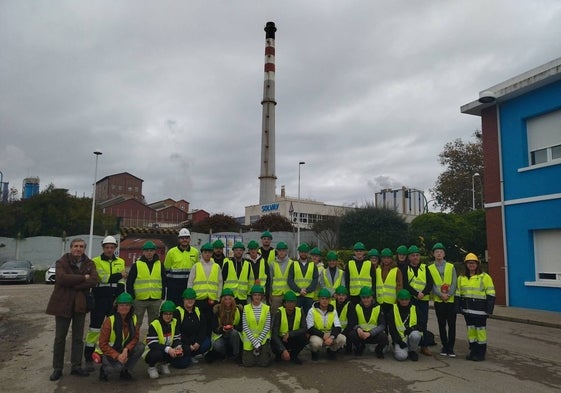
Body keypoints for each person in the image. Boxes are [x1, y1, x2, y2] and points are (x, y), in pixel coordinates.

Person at [46, 238, 99, 381]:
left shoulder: (90, 263)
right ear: (70, 247)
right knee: (59, 338)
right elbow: (61, 279)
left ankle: (76, 366)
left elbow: (94, 280)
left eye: (81, 246)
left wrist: (73, 283)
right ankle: (57, 368)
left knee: (78, 338)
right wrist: (83, 278)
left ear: (84, 249)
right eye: (75, 246)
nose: (78, 248)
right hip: (63, 303)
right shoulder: (62, 262)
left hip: (80, 304)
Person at [84, 235, 127, 371]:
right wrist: (120, 274)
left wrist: (119, 299)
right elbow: (103, 278)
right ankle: (89, 356)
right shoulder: (95, 261)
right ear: (103, 247)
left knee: (114, 329)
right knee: (95, 328)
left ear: (115, 248)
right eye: (107, 247)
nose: (109, 250)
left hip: (114, 300)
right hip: (99, 299)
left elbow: (121, 283)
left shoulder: (120, 261)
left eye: (112, 247)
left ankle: (109, 355)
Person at [97, 292, 144, 381]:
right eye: (121, 305)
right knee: (116, 368)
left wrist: (126, 349)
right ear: (117, 307)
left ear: (131, 307)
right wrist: (117, 356)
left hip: (123, 349)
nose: (124, 307)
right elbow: (102, 344)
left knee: (140, 346)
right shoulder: (109, 321)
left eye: (127, 305)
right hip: (109, 351)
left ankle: (125, 370)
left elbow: (135, 338)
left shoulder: (134, 319)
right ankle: (104, 370)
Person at [457, 253, 495, 361]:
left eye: (473, 263)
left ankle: (481, 353)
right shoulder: (461, 277)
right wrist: (458, 307)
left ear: (477, 264)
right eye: (469, 263)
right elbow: (458, 293)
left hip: (480, 311)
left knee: (480, 332)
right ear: (466, 264)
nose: (471, 265)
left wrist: (489, 309)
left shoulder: (484, 277)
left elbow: (491, 293)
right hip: (468, 310)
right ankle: (473, 351)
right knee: (471, 331)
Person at [126, 241, 166, 330]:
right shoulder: (136, 265)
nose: (149, 252)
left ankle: (150, 341)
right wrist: (132, 296)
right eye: (147, 250)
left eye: (151, 250)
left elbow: (164, 281)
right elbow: (129, 282)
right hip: (139, 299)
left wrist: (162, 296)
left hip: (155, 299)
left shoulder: (160, 265)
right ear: (143, 252)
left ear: (154, 251)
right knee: (137, 322)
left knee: (154, 323)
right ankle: (134, 341)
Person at [427, 242, 458, 357]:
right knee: (441, 324)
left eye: (441, 252)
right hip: (439, 300)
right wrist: (440, 294)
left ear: (444, 254)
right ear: (433, 254)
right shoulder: (430, 268)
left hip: (450, 300)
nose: (439, 254)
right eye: (436, 252)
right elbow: (432, 284)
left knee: (452, 324)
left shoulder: (451, 266)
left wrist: (449, 294)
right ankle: (444, 346)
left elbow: (454, 282)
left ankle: (451, 347)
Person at [143, 300, 187, 379]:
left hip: (166, 349)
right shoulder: (155, 324)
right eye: (165, 313)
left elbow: (176, 338)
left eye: (170, 314)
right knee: (158, 353)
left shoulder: (174, 322)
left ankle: (163, 364)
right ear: (161, 314)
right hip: (152, 351)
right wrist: (168, 349)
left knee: (182, 348)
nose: (168, 316)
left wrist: (178, 347)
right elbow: (152, 343)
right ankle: (151, 367)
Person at [187, 242, 222, 336]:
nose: (207, 254)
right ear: (201, 253)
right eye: (205, 252)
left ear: (212, 253)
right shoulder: (196, 266)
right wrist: (190, 298)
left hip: (211, 300)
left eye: (209, 252)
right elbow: (190, 282)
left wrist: (217, 298)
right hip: (198, 300)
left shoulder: (216, 266)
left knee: (210, 323)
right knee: (199, 323)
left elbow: (220, 283)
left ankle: (209, 344)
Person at [405, 245, 433, 356]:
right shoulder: (405, 268)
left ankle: (424, 346)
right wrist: (416, 294)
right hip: (411, 300)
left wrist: (423, 293)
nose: (415, 257)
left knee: (423, 322)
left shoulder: (425, 268)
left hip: (423, 300)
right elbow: (406, 284)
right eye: (413, 255)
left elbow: (430, 283)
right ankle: (410, 344)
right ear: (409, 257)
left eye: (417, 255)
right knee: (410, 322)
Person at [347, 286, 388, 359]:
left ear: (372, 297)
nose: (366, 300)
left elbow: (382, 325)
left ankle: (378, 350)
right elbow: (352, 322)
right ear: (361, 298)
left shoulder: (378, 307)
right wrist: (358, 329)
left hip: (373, 334)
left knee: (384, 337)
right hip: (361, 334)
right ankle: (359, 347)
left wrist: (370, 333)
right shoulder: (357, 307)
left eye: (368, 297)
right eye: (363, 297)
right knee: (351, 334)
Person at [307, 288, 346, 361]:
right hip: (317, 334)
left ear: (330, 300)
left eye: (327, 299)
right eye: (322, 298)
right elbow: (310, 328)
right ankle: (314, 352)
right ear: (318, 299)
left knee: (342, 339)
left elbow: (338, 327)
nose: (325, 301)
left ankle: (331, 351)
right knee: (315, 343)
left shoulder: (333, 311)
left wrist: (332, 337)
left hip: (329, 333)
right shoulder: (312, 311)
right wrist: (323, 335)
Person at [174, 288, 211, 364]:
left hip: (195, 341)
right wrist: (188, 345)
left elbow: (203, 328)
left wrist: (198, 342)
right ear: (183, 299)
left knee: (207, 343)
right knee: (183, 364)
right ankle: (186, 356)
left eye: (192, 299)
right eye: (187, 299)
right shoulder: (177, 311)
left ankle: (192, 355)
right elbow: (177, 331)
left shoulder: (198, 310)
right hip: (182, 342)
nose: (190, 301)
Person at [164, 228, 199, 307]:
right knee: (174, 308)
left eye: (186, 238)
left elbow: (197, 270)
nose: (184, 240)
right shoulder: (171, 252)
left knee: (187, 308)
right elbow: (166, 270)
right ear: (179, 239)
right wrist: (169, 285)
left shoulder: (195, 252)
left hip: (188, 286)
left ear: (189, 239)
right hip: (174, 288)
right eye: (182, 238)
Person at [271, 290, 308, 365]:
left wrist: (290, 334)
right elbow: (274, 334)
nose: (291, 304)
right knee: (273, 341)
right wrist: (283, 350)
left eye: (293, 302)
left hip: (292, 337)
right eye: (289, 302)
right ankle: (280, 354)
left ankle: (294, 356)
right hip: (281, 339)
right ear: (284, 303)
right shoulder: (279, 313)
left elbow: (304, 328)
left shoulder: (300, 311)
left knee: (304, 337)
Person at [208, 288, 243, 363]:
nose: (228, 301)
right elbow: (214, 328)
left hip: (233, 336)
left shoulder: (238, 310)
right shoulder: (217, 310)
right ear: (222, 300)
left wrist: (234, 327)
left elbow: (242, 326)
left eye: (230, 299)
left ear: (233, 300)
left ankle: (236, 355)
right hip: (221, 335)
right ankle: (224, 354)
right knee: (217, 345)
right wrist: (222, 329)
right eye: (225, 299)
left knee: (234, 333)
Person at [241, 284, 272, 367]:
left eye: (259, 295)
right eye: (255, 295)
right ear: (251, 296)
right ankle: (253, 354)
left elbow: (267, 327)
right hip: (250, 339)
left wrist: (258, 342)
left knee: (264, 364)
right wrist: (255, 342)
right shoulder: (246, 308)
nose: (257, 297)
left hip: (262, 339)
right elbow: (245, 327)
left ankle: (262, 354)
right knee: (248, 364)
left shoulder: (266, 308)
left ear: (262, 296)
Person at [389, 289, 422, 361]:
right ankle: (396, 346)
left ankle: (412, 351)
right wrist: (399, 341)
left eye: (406, 299)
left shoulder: (415, 308)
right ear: (398, 299)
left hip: (411, 336)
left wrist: (412, 328)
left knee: (416, 335)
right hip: (400, 338)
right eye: (402, 299)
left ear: (409, 299)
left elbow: (421, 325)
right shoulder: (393, 309)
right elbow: (392, 329)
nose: (404, 301)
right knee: (401, 357)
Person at [376, 248, 403, 333]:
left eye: (388, 258)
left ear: (391, 258)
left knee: (392, 322)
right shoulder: (378, 269)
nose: (386, 260)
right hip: (380, 300)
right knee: (382, 322)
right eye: (384, 258)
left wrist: (398, 299)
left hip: (392, 301)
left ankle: (395, 341)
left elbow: (399, 285)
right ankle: (385, 340)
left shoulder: (396, 270)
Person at [288, 243, 319, 316]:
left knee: (309, 315)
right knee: (296, 315)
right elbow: (290, 280)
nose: (303, 254)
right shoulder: (294, 264)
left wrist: (307, 290)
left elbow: (315, 280)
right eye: (302, 252)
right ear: (299, 252)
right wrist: (299, 290)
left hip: (309, 295)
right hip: (297, 295)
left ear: (308, 253)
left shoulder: (313, 265)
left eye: (305, 252)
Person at [221, 241, 251, 306]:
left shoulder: (247, 264)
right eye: (236, 250)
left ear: (243, 252)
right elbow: (222, 280)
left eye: (240, 250)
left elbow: (249, 280)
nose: (238, 251)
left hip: (242, 297)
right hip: (229, 297)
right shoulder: (227, 264)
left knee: (241, 315)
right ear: (233, 251)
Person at [268, 241, 293, 315]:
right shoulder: (272, 264)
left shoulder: (292, 263)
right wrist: (270, 294)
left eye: (283, 250)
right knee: (274, 315)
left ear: (286, 251)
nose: (281, 252)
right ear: (277, 251)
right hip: (276, 295)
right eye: (279, 250)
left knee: (287, 316)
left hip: (288, 294)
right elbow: (270, 280)